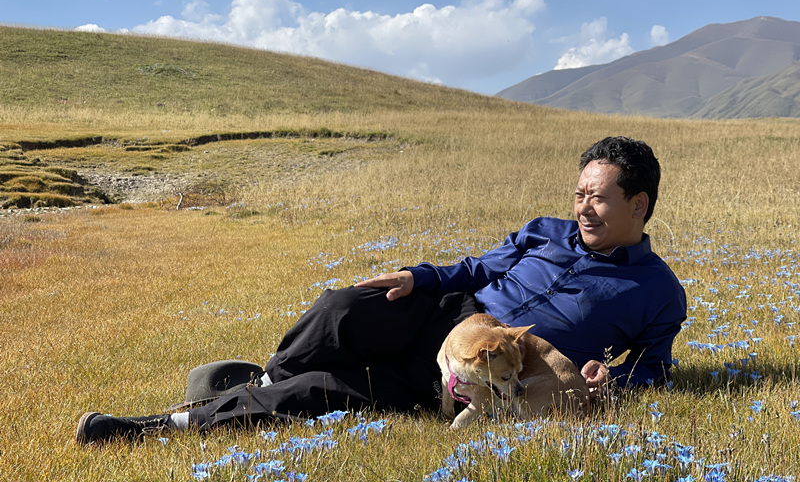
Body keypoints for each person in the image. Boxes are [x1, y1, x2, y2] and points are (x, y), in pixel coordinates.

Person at [75, 136, 687, 444]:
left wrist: (613, 382)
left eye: (598, 197)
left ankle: (157, 426)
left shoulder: (658, 291)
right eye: (579, 194)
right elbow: (477, 268)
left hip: (488, 368)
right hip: (451, 313)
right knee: (341, 308)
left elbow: (654, 368)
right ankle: (262, 378)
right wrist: (419, 277)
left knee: (319, 394)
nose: (583, 207)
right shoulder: (544, 231)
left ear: (638, 204)